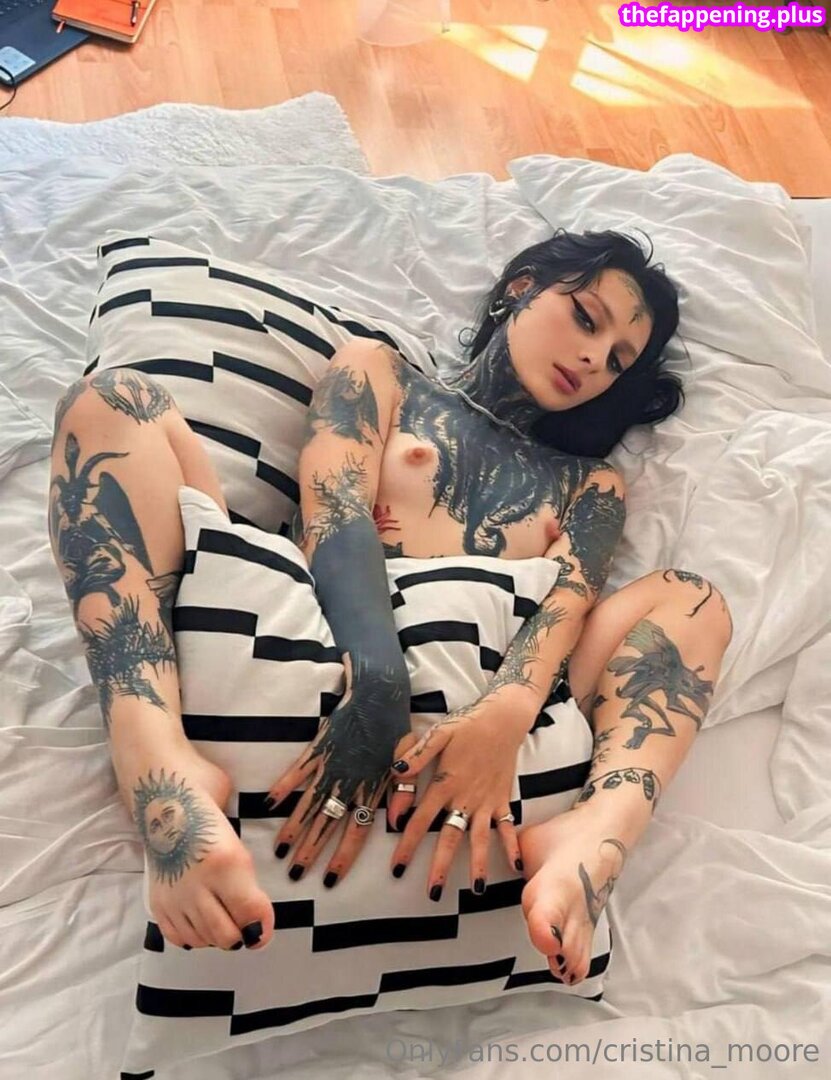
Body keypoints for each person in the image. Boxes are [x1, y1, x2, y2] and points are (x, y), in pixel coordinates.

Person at [47, 228, 733, 986]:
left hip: (482, 717)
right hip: (316, 638)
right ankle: (155, 767)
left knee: (693, 602)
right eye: (585, 317)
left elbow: (565, 610)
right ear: (521, 288)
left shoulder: (590, 484)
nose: (594, 359)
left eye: (619, 361)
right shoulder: (381, 372)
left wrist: (505, 714)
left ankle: (597, 837)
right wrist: (378, 682)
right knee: (113, 403)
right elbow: (332, 507)